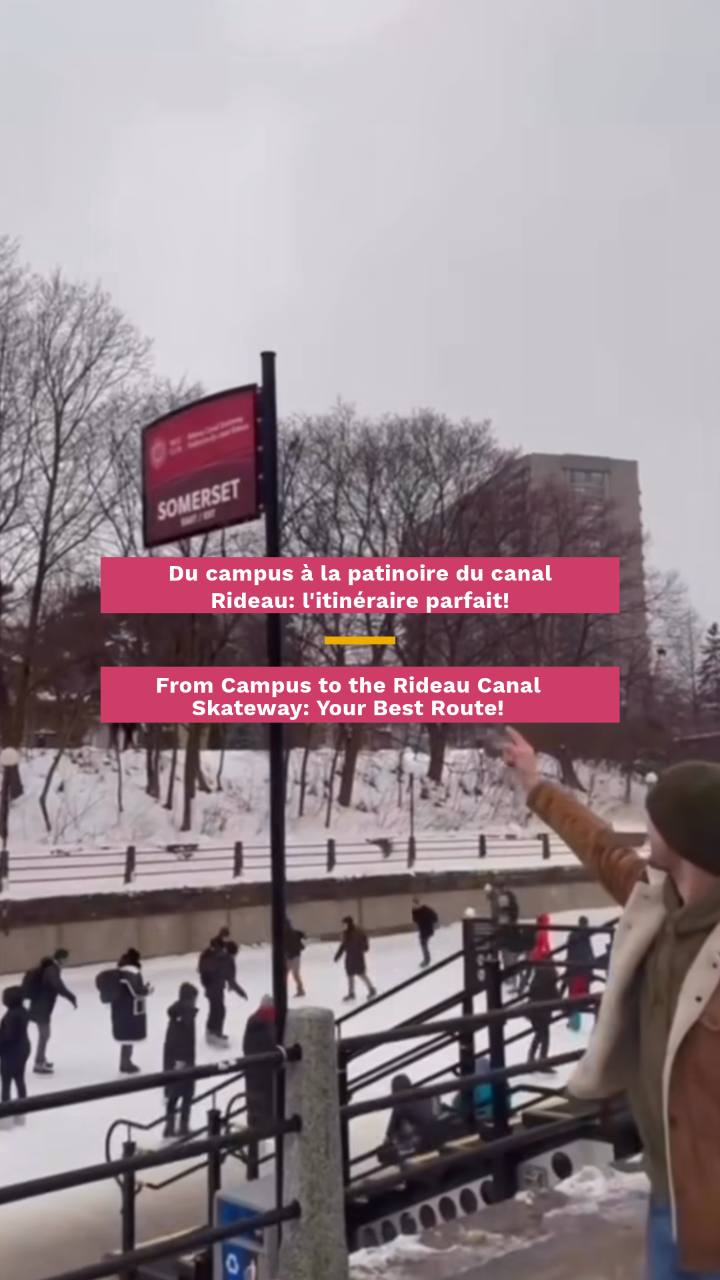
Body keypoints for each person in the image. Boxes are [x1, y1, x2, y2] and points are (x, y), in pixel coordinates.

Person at [503, 726, 720, 1280]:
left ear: (685, 836)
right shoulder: (657, 899)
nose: (646, 827)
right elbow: (600, 846)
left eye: (656, 818)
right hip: (669, 1194)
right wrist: (534, 783)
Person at [24, 949, 77, 1076]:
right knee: (45, 1035)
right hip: (41, 1007)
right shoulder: (51, 970)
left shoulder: (50, 968)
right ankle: (39, 1064)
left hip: (40, 1005)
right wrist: (71, 997)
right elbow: (58, 986)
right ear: (61, 959)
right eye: (66, 958)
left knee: (45, 1036)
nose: (67, 961)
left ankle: (42, 1059)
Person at [242, 996, 278, 1177]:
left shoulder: (254, 1021)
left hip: (257, 1079)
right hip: (268, 1079)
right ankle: (276, 1164)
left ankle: (253, 1167)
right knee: (274, 1121)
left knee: (257, 1123)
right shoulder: (271, 1023)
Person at [163, 983, 198, 1139]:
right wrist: (180, 1060)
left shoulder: (182, 1014)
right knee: (181, 1094)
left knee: (179, 1094)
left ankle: (173, 1126)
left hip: (180, 1060)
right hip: (181, 1061)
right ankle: (177, 1126)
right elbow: (177, 1040)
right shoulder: (184, 1015)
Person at [379, 1074, 441, 1164]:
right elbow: (436, 1095)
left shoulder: (401, 1103)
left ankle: (406, 1153)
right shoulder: (421, 1091)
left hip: (426, 1138)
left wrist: (386, 1143)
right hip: (439, 1127)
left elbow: (391, 1129)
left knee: (401, 1124)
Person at [109, 949, 152, 1074]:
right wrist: (147, 991)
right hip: (130, 1009)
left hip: (119, 1007)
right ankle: (126, 1063)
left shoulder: (120, 971)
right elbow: (136, 991)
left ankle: (125, 1062)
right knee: (129, 1037)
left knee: (126, 1037)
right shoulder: (132, 972)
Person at [0, 986, 30, 1126]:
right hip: (22, 1048)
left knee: (6, 1081)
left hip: (11, 1051)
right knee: (19, 1079)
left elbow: (8, 1036)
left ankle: (5, 1114)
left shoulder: (12, 1015)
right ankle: (21, 1111)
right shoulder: (22, 1011)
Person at [562, 915, 596, 1031]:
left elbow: (569, 953)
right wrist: (591, 970)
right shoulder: (586, 937)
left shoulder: (573, 936)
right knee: (583, 997)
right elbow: (590, 954)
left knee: (574, 997)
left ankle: (574, 1023)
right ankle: (578, 1022)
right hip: (584, 971)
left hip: (575, 970)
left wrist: (568, 968)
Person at [525, 957, 559, 1071]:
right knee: (544, 1036)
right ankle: (541, 1061)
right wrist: (566, 1007)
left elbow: (531, 992)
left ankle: (531, 1059)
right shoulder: (551, 977)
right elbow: (555, 995)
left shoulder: (538, 977)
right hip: (543, 1012)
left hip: (533, 1010)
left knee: (539, 1034)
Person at [334, 917, 377, 1002]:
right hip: (349, 957)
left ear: (349, 923)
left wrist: (364, 948)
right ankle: (351, 993)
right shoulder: (344, 933)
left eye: (344, 924)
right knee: (350, 975)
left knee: (361, 974)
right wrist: (338, 955)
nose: (343, 926)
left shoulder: (358, 931)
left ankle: (371, 989)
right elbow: (343, 945)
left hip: (358, 957)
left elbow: (365, 941)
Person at [412, 898, 439, 968]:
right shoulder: (415, 911)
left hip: (427, 929)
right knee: (423, 944)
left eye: (416, 903)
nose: (415, 905)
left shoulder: (425, 909)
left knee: (423, 943)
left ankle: (427, 959)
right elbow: (415, 920)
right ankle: (426, 959)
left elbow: (435, 917)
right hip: (423, 930)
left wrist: (428, 922)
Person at [283, 919, 306, 998]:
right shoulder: (292, 933)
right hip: (290, 956)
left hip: (294, 956)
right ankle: (299, 990)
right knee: (289, 974)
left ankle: (300, 990)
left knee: (294, 974)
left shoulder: (292, 933)